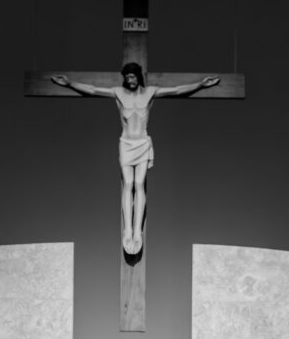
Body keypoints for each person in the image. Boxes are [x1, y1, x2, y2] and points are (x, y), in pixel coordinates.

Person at [51, 64, 219, 255]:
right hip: (126, 143)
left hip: (143, 143)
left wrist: (200, 84)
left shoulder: (150, 92)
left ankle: (137, 231)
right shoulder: (117, 93)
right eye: (127, 77)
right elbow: (93, 89)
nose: (129, 80)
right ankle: (127, 230)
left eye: (132, 77)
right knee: (128, 184)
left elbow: (177, 90)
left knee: (139, 183)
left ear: (138, 76)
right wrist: (70, 83)